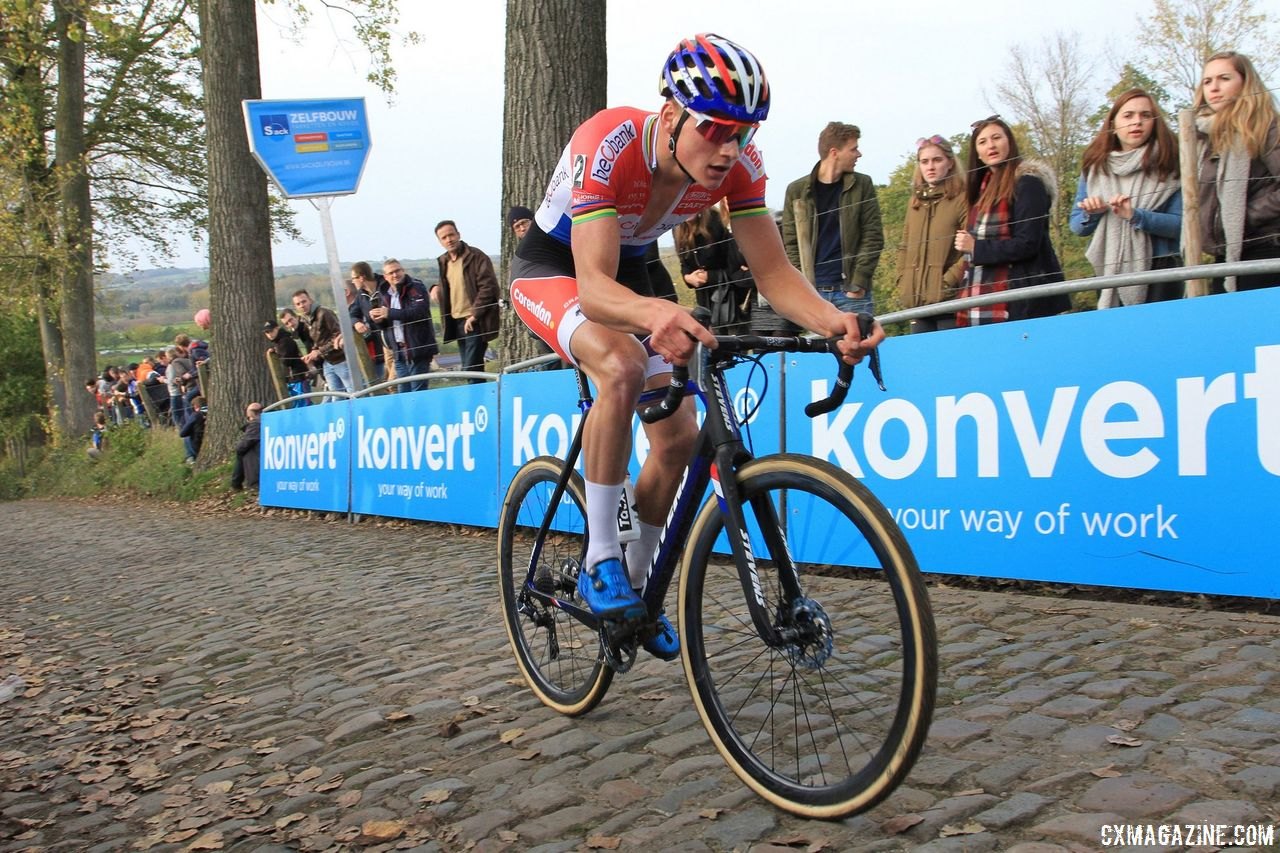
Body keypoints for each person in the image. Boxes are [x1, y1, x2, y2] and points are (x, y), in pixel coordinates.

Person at [508, 33, 882, 661]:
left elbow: (774, 274)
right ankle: (601, 555)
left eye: (744, 133)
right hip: (556, 267)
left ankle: (635, 584)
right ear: (674, 113)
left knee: (679, 439)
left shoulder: (738, 164)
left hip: (633, 266)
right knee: (623, 364)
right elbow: (596, 290)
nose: (729, 148)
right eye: (716, 130)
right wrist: (656, 311)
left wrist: (831, 319)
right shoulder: (611, 144)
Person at [953, 116, 1072, 325]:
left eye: (996, 138)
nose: (991, 145)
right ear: (977, 154)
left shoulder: (1028, 183)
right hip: (983, 298)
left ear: (1009, 142)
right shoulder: (981, 192)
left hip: (1025, 296)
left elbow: (1028, 243)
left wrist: (976, 248)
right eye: (982, 142)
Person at [1070, 89, 1182, 307]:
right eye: (1128, 115)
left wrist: (1135, 215)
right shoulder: (1095, 167)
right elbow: (1077, 226)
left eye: (1145, 115)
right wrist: (1091, 213)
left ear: (1155, 121)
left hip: (1161, 266)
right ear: (1113, 123)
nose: (1137, 122)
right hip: (1108, 269)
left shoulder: (1171, 163)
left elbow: (1182, 225)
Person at [1194, 51, 1280, 293]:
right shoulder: (1201, 138)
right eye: (1207, 81)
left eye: (1224, 78)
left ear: (1245, 82)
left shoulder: (1267, 125)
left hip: (1266, 249)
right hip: (1224, 255)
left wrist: (1247, 215)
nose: (1214, 87)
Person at [782, 121, 884, 316]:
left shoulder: (863, 184)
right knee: (820, 347)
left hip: (851, 292)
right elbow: (791, 243)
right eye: (854, 149)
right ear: (834, 152)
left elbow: (873, 236)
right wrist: (804, 287)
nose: (859, 154)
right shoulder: (796, 190)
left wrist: (859, 283)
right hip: (814, 293)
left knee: (860, 346)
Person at [895, 135, 968, 333]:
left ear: (950, 163)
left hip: (950, 302)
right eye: (924, 161)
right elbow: (904, 246)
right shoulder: (915, 203)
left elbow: (971, 247)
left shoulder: (962, 198)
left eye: (937, 160)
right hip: (916, 301)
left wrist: (947, 282)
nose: (930, 167)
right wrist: (902, 280)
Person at [433, 221, 500, 381]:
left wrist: (475, 315)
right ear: (440, 241)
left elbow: (488, 287)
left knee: (470, 369)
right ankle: (482, 402)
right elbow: (450, 285)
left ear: (458, 234)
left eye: (451, 235)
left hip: (476, 322)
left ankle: (477, 403)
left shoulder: (476, 256)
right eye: (444, 237)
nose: (449, 239)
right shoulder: (444, 261)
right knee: (473, 369)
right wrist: (434, 288)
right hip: (457, 323)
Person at [674, 203, 753, 333]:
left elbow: (736, 267)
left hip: (729, 298)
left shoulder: (715, 222)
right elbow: (684, 263)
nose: (687, 209)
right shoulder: (677, 227)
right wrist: (688, 277)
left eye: (690, 203)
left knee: (732, 340)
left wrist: (710, 277)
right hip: (704, 299)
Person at [369, 259, 437, 392]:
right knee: (403, 393)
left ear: (403, 271)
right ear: (385, 277)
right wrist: (378, 320)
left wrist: (389, 313)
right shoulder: (384, 293)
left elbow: (419, 312)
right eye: (391, 273)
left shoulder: (416, 287)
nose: (395, 275)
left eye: (397, 271)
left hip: (417, 348)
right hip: (398, 351)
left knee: (418, 392)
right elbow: (388, 323)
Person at [292, 289, 352, 397]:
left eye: (304, 301)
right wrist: (313, 352)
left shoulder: (324, 313)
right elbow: (319, 339)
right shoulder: (307, 319)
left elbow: (338, 336)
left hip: (341, 359)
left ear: (310, 300)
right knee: (336, 397)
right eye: (298, 304)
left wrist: (319, 351)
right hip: (327, 362)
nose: (302, 305)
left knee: (353, 393)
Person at [349, 262, 389, 382]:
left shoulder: (386, 287)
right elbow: (352, 313)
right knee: (389, 384)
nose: (352, 282)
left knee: (393, 383)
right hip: (379, 344)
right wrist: (356, 322)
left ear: (362, 277)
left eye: (353, 278)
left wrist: (385, 315)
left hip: (393, 340)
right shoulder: (361, 295)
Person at [264, 320, 310, 404]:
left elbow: (286, 361)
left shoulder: (285, 341)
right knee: (297, 404)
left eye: (271, 331)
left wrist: (277, 353)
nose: (269, 334)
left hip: (298, 376)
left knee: (303, 403)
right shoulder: (279, 342)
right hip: (292, 378)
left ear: (277, 328)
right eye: (267, 332)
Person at [231, 402, 263, 491]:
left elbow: (245, 444)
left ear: (251, 416)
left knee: (242, 452)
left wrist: (237, 448)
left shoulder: (256, 424)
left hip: (259, 461)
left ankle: (236, 484)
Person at [178, 395, 207, 463]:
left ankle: (190, 457)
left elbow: (182, 433)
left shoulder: (196, 415)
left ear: (195, 407)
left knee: (187, 437)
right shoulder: (213, 412)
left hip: (199, 445)